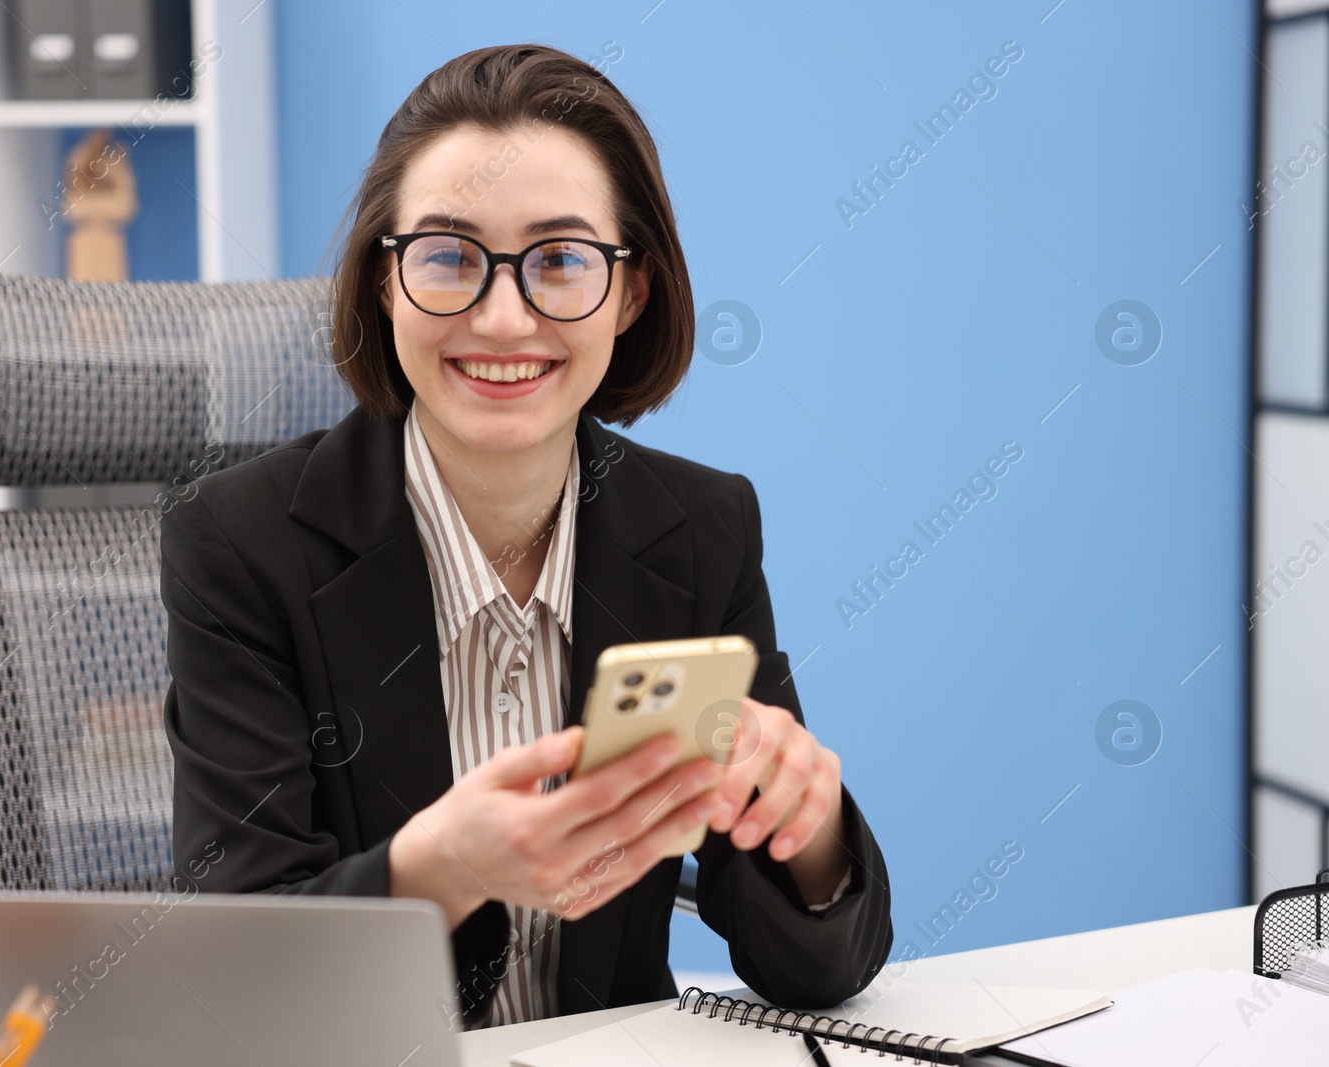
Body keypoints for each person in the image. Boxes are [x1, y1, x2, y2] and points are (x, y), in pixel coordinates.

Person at [160, 42, 892, 1030]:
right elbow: (237, 979)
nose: (503, 318)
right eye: (449, 257)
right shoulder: (244, 543)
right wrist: (435, 871)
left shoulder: (701, 531)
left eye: (558, 261)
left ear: (631, 292)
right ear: (384, 282)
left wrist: (808, 832)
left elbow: (810, 970)